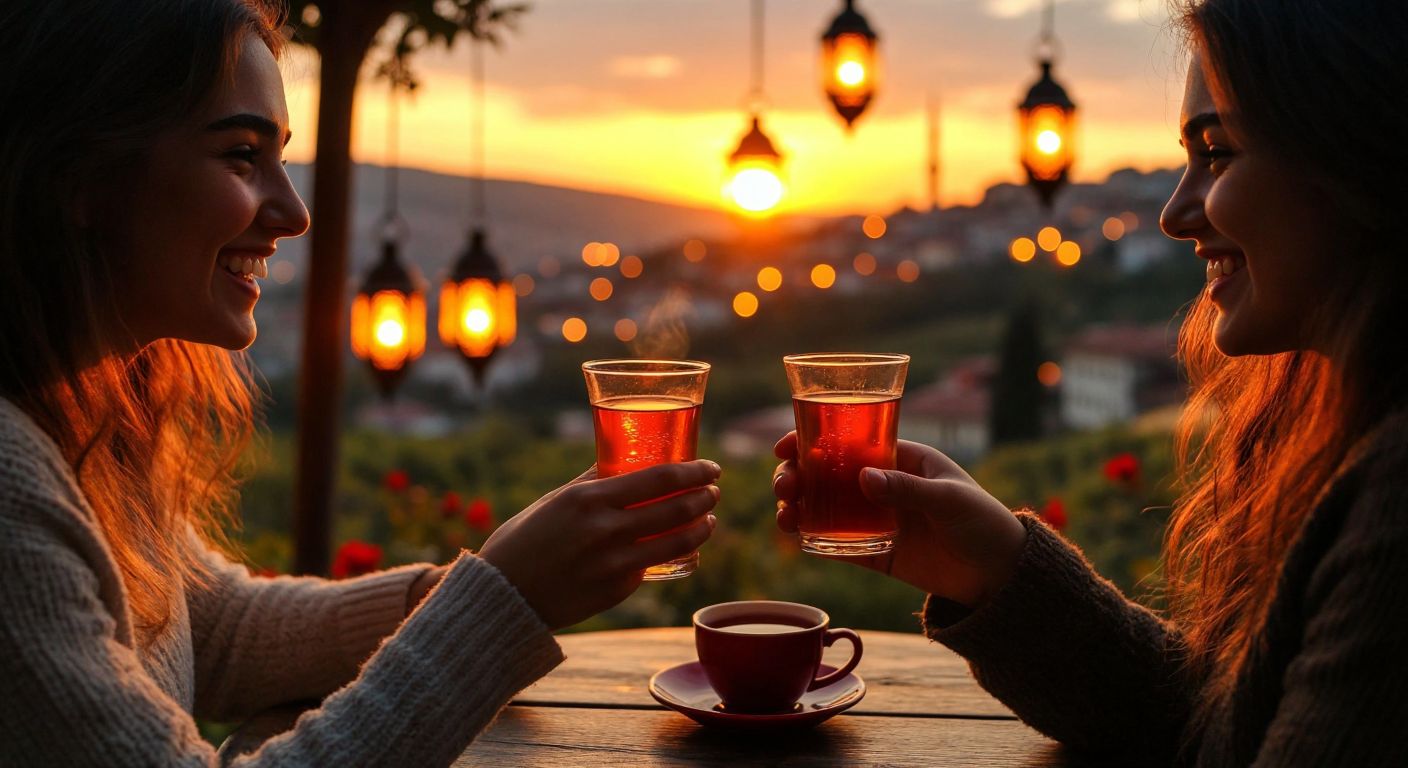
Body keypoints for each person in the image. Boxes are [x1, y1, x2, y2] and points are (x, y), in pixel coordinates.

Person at [0, 1, 719, 765]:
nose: (293, 212)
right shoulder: (12, 486)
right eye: (241, 155)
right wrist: (507, 599)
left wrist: (464, 591)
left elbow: (217, 631)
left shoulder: (89, 415)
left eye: (280, 156)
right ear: (79, 179)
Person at [773, 0, 1408, 764]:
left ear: (1362, 153)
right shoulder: (1354, 439)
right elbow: (1213, 728)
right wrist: (996, 572)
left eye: (1217, 151)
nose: (1174, 213)